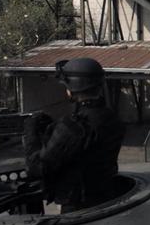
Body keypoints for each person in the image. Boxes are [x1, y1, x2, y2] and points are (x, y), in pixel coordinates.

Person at [22, 58, 125, 213]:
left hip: (78, 207)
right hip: (105, 199)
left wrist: (31, 133)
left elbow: (37, 168)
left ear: (73, 87)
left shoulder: (74, 126)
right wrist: (54, 128)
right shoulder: (110, 117)